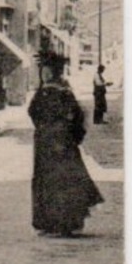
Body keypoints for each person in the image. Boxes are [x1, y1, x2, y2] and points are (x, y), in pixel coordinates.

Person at [27, 52, 103, 237]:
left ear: (54, 72)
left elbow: (74, 116)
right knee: (50, 181)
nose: (45, 74)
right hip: (50, 142)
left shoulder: (59, 92)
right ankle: (50, 223)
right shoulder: (48, 90)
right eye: (43, 71)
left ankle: (65, 223)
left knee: (62, 182)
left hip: (58, 143)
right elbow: (33, 112)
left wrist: (61, 132)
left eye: (47, 71)